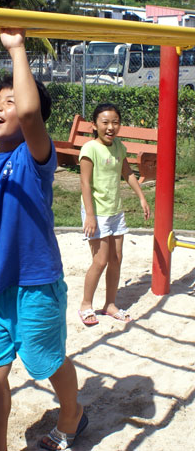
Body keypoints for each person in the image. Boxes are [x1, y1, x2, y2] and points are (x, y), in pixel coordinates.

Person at [0, 29, 86, 451]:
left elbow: (33, 116)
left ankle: (72, 412)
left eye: (10, 101)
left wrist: (16, 48)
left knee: (46, 361)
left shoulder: (34, 156)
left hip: (35, 283)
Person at [78, 102, 150, 326]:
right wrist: (89, 214)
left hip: (115, 211)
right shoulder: (90, 149)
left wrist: (141, 196)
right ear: (94, 125)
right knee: (100, 261)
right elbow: (85, 184)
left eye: (115, 122)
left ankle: (110, 304)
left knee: (116, 259)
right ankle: (86, 305)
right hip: (97, 212)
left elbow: (127, 172)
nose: (111, 127)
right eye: (105, 122)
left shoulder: (118, 146)